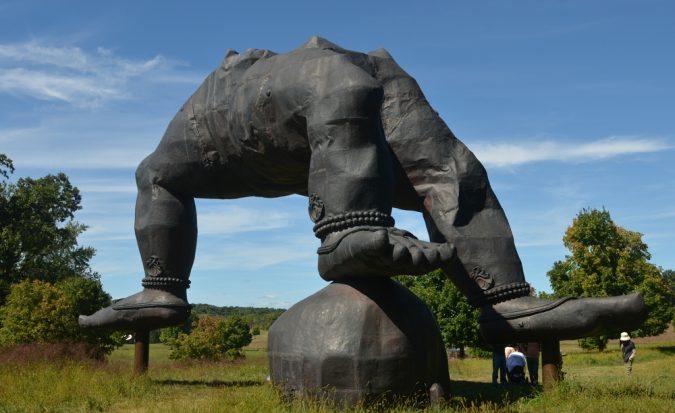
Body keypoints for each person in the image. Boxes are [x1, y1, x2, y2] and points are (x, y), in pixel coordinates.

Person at [79, 36, 647, 342]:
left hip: (342, 110)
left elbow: (445, 172)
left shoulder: (371, 77)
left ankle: (504, 303)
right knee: (336, 83)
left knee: (452, 165)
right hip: (233, 125)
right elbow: (157, 176)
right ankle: (169, 287)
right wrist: (355, 230)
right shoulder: (259, 85)